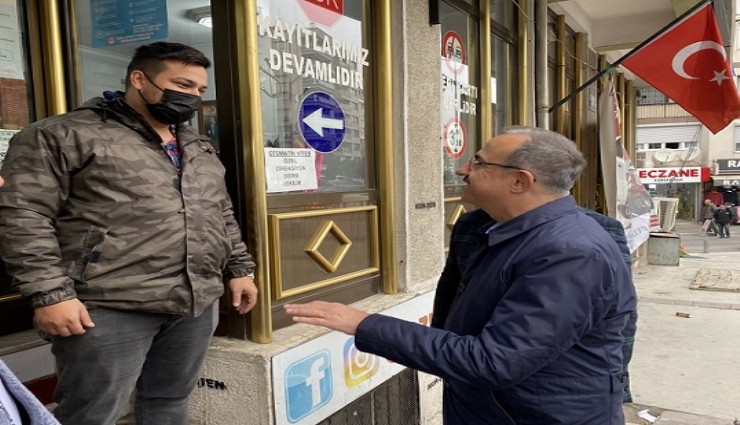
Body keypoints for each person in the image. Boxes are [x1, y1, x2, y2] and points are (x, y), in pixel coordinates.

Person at [285, 127, 636, 424]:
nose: (462, 169)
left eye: (479, 163)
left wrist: (364, 324)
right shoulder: (484, 226)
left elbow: (494, 361)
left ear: (519, 181)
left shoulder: (571, 253)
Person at [0, 42, 257, 425]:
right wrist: (50, 295)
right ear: (139, 79)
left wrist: (239, 268)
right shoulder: (63, 134)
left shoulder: (195, 144)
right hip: (108, 304)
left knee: (169, 402)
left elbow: (219, 211)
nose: (192, 97)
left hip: (194, 302)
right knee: (93, 414)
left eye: (200, 89)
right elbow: (23, 216)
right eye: (182, 85)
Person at [432, 205, 638, 404]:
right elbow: (450, 291)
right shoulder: (470, 224)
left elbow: (622, 313)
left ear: (520, 184)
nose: (465, 179)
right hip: (473, 373)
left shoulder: (590, 234)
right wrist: (441, 355)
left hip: (555, 387)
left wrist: (619, 382)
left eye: (479, 169)